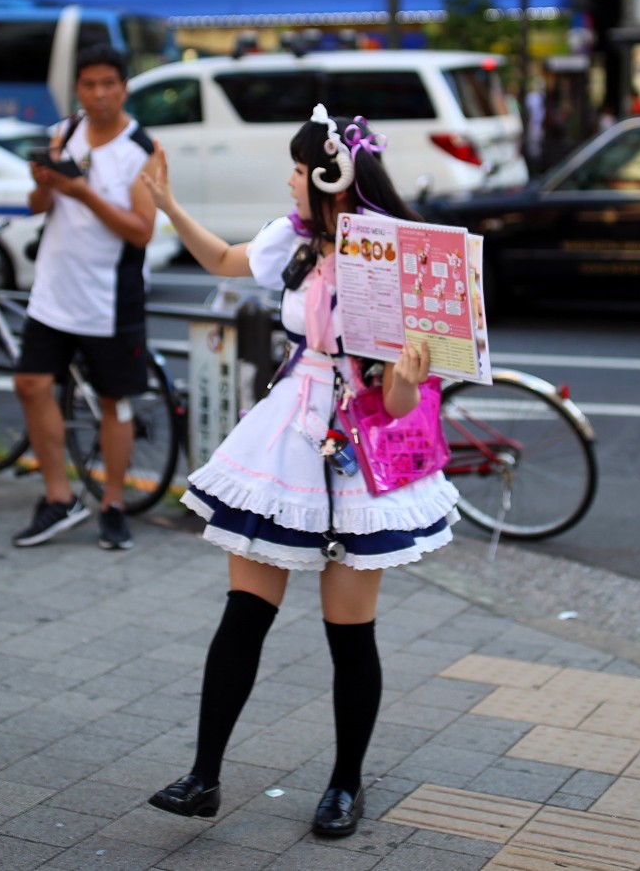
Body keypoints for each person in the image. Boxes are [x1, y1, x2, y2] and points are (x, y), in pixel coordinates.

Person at [138, 106, 453, 840]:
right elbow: (224, 260)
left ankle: (345, 784)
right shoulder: (298, 239)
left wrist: (409, 372)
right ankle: (203, 775)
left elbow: (398, 396)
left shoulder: (391, 261)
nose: (288, 177)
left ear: (332, 177)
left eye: (297, 165)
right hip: (287, 431)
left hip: (359, 443)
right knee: (242, 615)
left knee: (349, 631)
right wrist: (168, 205)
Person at [11, 46, 158, 552]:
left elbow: (141, 232)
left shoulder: (142, 148)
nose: (98, 94)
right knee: (30, 384)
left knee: (113, 403)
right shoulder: (65, 131)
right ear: (77, 88)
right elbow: (38, 206)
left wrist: (84, 194)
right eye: (89, 84)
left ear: (124, 87)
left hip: (109, 296)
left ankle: (113, 505)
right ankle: (58, 496)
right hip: (54, 287)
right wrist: (44, 185)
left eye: (108, 84)